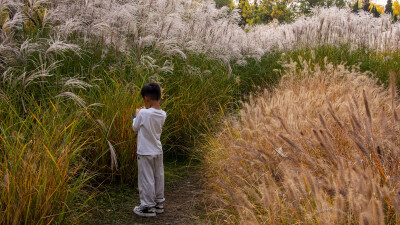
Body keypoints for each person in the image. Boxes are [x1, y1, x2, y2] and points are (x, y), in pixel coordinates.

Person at [132, 83, 167, 217]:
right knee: (158, 177)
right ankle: (158, 204)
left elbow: (135, 127)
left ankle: (146, 207)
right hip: (157, 150)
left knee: (146, 178)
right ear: (159, 97)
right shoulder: (163, 114)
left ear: (146, 99)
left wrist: (136, 114)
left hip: (145, 152)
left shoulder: (143, 113)